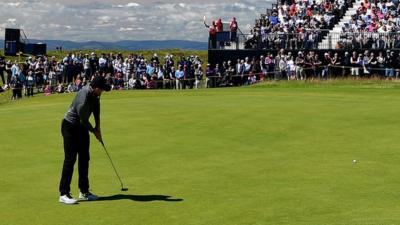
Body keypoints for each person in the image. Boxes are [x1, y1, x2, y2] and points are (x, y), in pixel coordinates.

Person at [58, 76, 111, 204]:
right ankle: (64, 194)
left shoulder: (95, 94)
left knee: (84, 158)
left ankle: (84, 191)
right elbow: (84, 121)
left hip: (81, 127)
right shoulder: (83, 98)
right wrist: (94, 132)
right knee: (70, 159)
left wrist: (98, 127)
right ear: (97, 88)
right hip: (70, 126)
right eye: (102, 90)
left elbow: (96, 108)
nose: (102, 92)